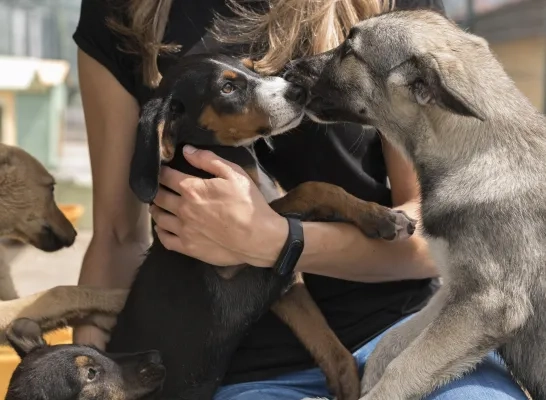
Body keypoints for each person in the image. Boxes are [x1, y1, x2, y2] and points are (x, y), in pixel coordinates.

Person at [72, 0, 528, 398]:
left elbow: (428, 232)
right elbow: (116, 236)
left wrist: (279, 241)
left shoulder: (390, 18)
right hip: (242, 374)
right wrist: (85, 377)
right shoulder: (123, 12)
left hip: (402, 337)